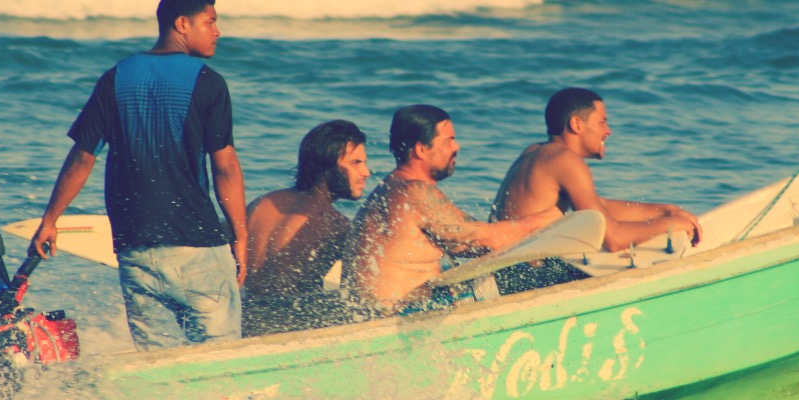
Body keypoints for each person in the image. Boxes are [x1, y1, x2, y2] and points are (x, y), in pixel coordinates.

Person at [28, 0, 247, 349]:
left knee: (158, 368)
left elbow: (83, 157)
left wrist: (51, 220)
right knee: (219, 359)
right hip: (196, 246)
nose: (217, 31)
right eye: (210, 21)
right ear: (182, 24)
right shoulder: (208, 83)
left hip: (134, 249)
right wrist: (240, 236)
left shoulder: (116, 77)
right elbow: (225, 166)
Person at [342, 104, 560, 317]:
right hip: (398, 315)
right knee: (536, 275)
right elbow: (489, 240)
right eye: (449, 140)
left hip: (375, 312)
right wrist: (550, 217)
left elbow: (472, 239)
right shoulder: (414, 192)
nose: (456, 147)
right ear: (421, 149)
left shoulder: (393, 188)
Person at [493, 87, 703, 255]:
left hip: (503, 269)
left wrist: (667, 210)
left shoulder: (536, 151)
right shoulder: (565, 160)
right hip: (523, 276)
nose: (608, 131)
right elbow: (613, 239)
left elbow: (597, 206)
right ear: (576, 124)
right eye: (602, 122)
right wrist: (669, 225)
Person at [241, 120, 370, 336]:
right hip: (283, 329)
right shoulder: (333, 224)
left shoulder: (263, 203)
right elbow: (366, 287)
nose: (365, 172)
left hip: (243, 318)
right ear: (328, 168)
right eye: (356, 163)